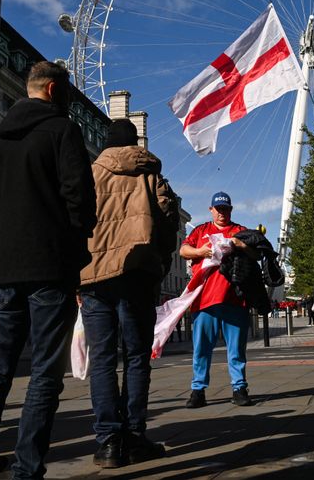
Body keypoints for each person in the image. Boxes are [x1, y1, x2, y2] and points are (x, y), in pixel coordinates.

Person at [0, 61, 96, 480]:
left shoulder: (0, 138)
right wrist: (72, 236)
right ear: (54, 90)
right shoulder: (62, 130)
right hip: (50, 267)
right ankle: (26, 469)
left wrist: (11, 221)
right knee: (44, 374)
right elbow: (80, 197)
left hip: (6, 270)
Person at [80, 118, 179, 469]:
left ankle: (108, 441)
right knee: (136, 356)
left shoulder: (89, 174)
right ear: (135, 143)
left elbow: (74, 221)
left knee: (102, 359)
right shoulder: (150, 175)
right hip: (138, 272)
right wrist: (159, 262)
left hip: (94, 277)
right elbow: (169, 221)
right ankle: (135, 436)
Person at [180, 192, 254, 408]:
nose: (222, 213)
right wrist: (201, 251)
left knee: (236, 348)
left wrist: (240, 245)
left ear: (231, 210)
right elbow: (183, 250)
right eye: (218, 209)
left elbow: (256, 254)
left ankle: (239, 388)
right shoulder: (200, 230)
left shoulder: (240, 231)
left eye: (226, 209)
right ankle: (198, 390)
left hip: (235, 298)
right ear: (211, 210)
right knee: (201, 348)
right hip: (204, 300)